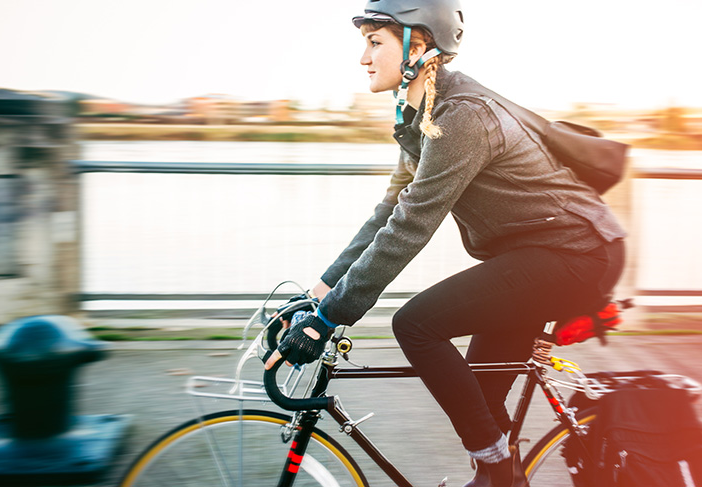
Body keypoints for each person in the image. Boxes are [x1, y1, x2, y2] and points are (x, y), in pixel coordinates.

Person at [265, 0, 626, 485]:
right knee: (477, 399)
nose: (363, 58)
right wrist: (319, 294)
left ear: (419, 45)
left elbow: (411, 227)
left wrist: (330, 319)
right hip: (540, 253)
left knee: (416, 325)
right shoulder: (420, 117)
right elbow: (388, 214)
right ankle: (499, 474)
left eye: (375, 43)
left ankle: (498, 468)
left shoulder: (460, 118)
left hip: (577, 252)